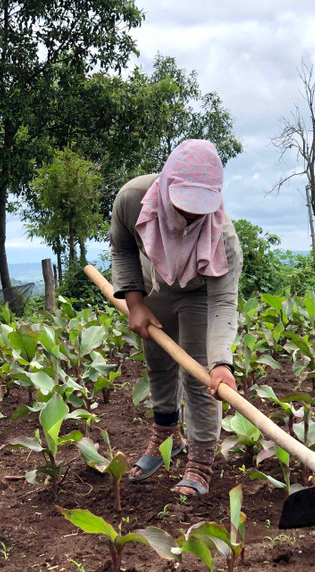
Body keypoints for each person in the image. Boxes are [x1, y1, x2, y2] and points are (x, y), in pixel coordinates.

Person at [110, 139, 242, 497]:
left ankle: (200, 461)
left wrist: (221, 363)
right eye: (184, 207)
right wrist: (135, 303)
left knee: (199, 374)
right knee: (158, 364)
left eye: (200, 210)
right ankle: (166, 436)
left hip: (198, 293)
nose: (190, 218)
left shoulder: (223, 238)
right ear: (167, 185)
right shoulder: (133, 198)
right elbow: (121, 247)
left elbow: (223, 303)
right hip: (153, 283)